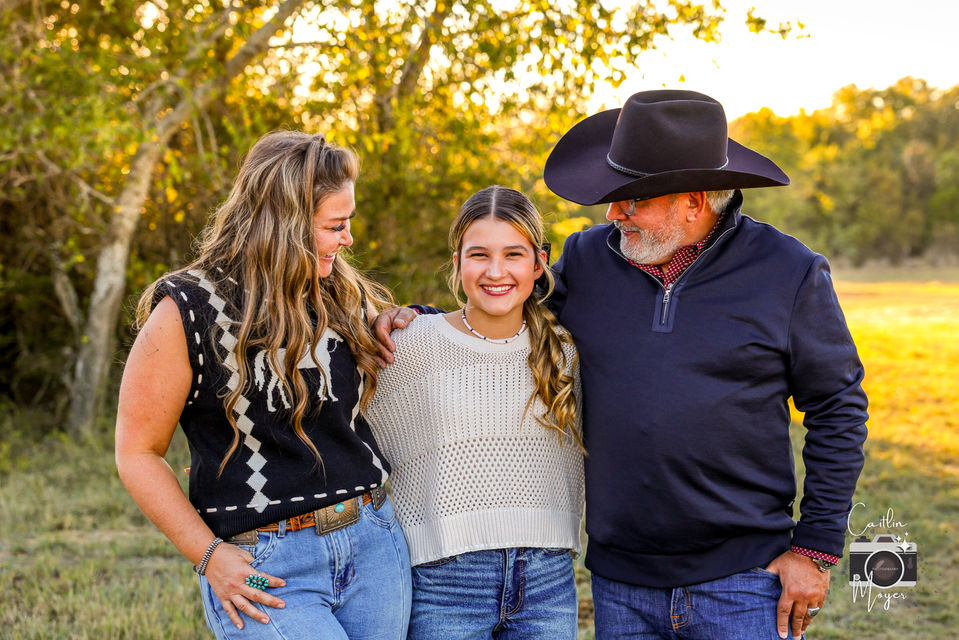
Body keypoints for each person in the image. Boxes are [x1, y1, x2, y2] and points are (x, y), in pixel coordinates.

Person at [376, 91, 868, 640]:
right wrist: (421, 321)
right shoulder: (588, 259)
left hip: (746, 580)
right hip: (621, 586)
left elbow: (838, 408)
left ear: (693, 201)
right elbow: (507, 309)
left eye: (632, 200)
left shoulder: (789, 272)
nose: (613, 213)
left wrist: (814, 549)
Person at [115, 131, 412, 640]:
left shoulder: (338, 291)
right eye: (335, 226)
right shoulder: (187, 310)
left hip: (374, 545)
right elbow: (137, 452)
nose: (348, 239)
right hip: (267, 564)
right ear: (285, 224)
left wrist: (402, 321)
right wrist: (209, 556)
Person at [364, 186, 585, 639]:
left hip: (548, 580)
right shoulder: (408, 346)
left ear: (539, 263)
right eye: (479, 254)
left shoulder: (568, 352)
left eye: (514, 254)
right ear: (457, 262)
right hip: (443, 581)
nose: (496, 271)